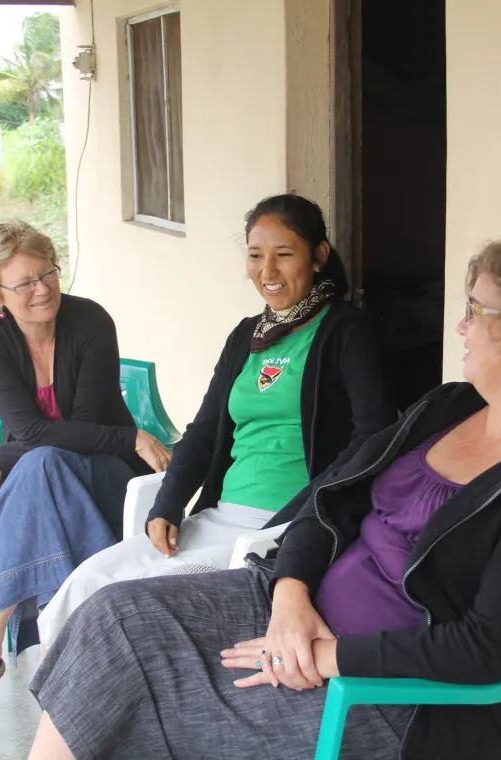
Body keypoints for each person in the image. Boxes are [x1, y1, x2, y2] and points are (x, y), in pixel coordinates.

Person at [26, 231, 501, 760]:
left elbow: (486, 649)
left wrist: (324, 656)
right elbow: (331, 497)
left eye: (477, 309)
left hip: (379, 696)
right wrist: (290, 597)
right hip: (291, 608)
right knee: (113, 617)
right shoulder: (452, 406)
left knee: (148, 691)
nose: (461, 325)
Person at [36, 194, 396, 648]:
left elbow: (373, 437)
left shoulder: (346, 332)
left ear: (319, 256)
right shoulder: (247, 335)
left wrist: (307, 510)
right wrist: (167, 503)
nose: (267, 272)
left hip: (283, 526)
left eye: (284, 255)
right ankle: (64, 709)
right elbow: (204, 431)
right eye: (255, 255)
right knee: (86, 583)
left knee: (128, 604)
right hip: (219, 515)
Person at [0, 220, 172, 711]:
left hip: (108, 476)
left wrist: (3, 454)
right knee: (44, 465)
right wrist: (16, 448)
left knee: (45, 463)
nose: (43, 289)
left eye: (48, 272)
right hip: (46, 483)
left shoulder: (90, 321)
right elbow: (32, 434)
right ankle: (71, 656)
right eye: (25, 283)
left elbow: (80, 430)